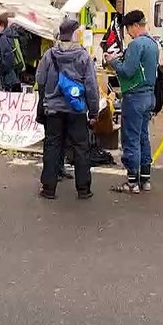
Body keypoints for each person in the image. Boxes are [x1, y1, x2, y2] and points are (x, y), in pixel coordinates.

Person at [35, 18, 98, 200]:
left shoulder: (49, 55)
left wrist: (47, 98)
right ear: (75, 33)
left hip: (53, 110)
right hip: (76, 110)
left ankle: (48, 188)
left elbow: (40, 79)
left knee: (52, 146)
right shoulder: (83, 56)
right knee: (80, 148)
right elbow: (91, 86)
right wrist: (93, 112)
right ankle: (83, 189)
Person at [107, 10, 159, 193]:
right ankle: (145, 180)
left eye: (128, 29)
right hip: (149, 96)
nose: (128, 33)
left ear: (136, 26)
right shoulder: (153, 44)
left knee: (131, 138)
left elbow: (128, 71)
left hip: (135, 97)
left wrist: (113, 61)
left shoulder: (137, 45)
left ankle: (132, 182)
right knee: (144, 137)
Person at [0, 12, 25, 92]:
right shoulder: (12, 35)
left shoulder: (3, 37)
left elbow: (7, 56)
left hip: (9, 77)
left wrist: (2, 71)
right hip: (15, 74)